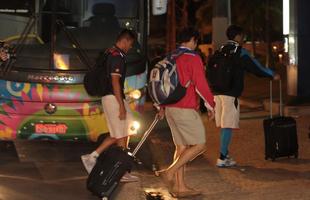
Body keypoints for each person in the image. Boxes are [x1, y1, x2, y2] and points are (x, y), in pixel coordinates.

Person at [156, 27, 215, 198]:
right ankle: (169, 172)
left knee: (181, 147)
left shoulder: (171, 56)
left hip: (170, 108)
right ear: (193, 40)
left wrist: (161, 106)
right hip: (184, 108)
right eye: (196, 41)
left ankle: (180, 187)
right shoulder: (192, 57)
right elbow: (201, 84)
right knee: (200, 145)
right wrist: (211, 106)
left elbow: (161, 84)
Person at [214, 25, 280, 167]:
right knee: (228, 126)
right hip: (230, 93)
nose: (243, 39)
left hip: (217, 93)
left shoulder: (219, 51)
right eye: (242, 36)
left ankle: (224, 154)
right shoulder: (240, 52)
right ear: (238, 36)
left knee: (224, 125)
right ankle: (222, 158)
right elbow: (256, 67)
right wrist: (272, 74)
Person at [81, 29, 139, 182]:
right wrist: (121, 105)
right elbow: (115, 82)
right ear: (124, 41)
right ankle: (120, 171)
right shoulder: (116, 56)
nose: (130, 48)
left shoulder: (109, 53)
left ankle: (94, 157)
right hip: (113, 99)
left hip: (113, 98)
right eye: (130, 44)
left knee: (123, 131)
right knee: (120, 133)